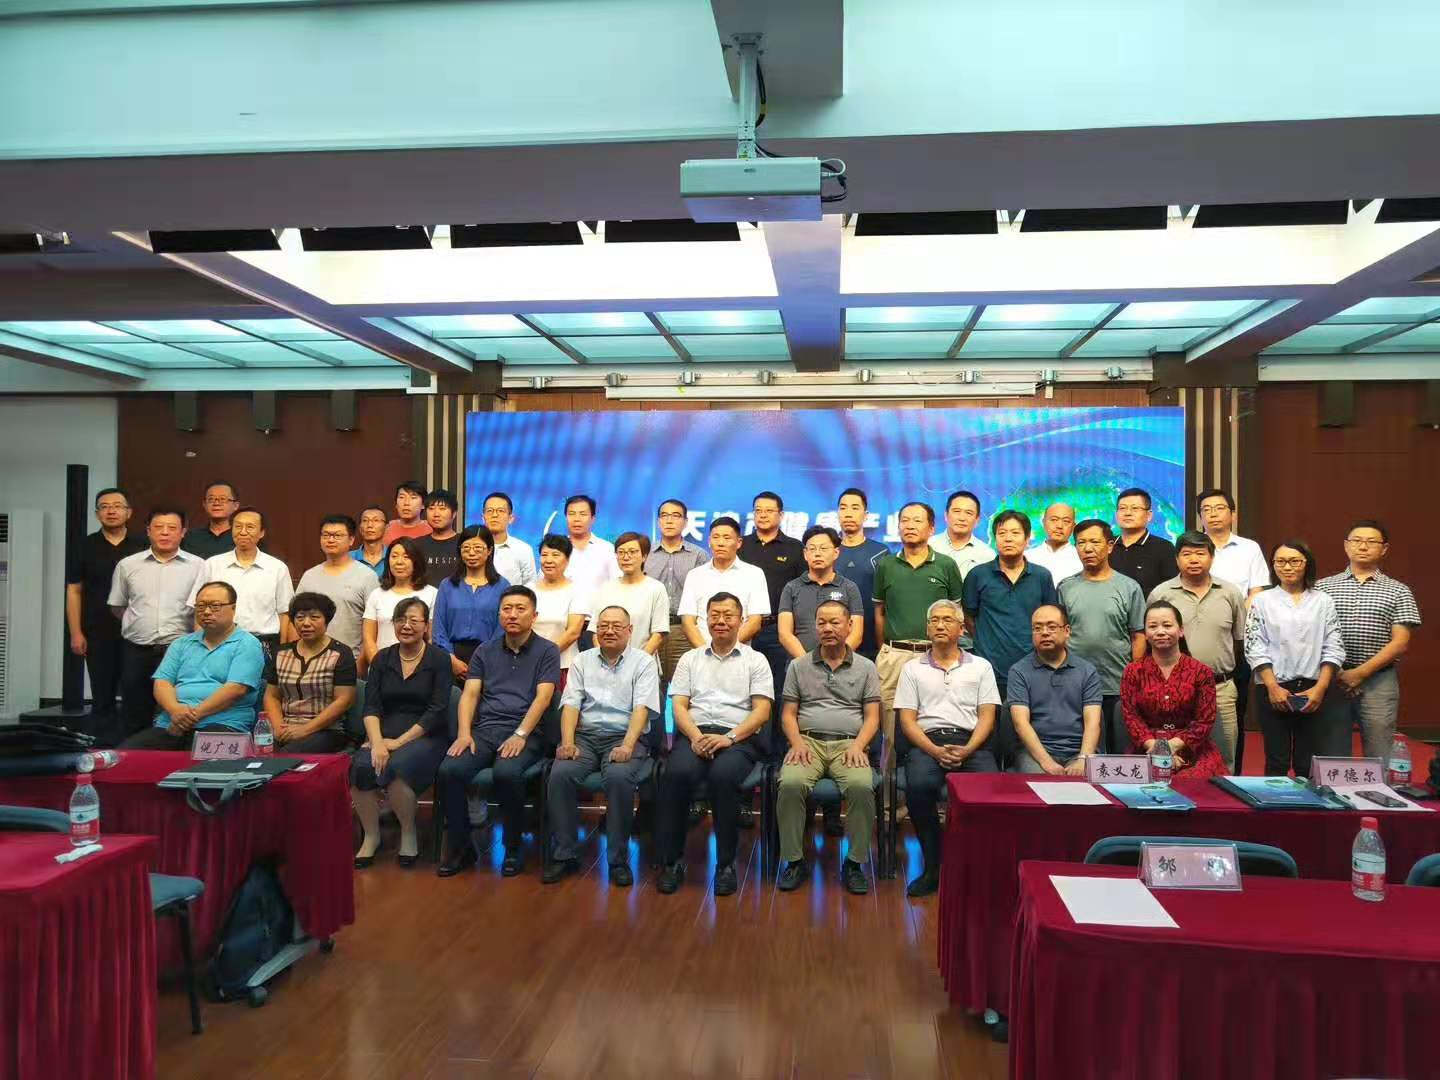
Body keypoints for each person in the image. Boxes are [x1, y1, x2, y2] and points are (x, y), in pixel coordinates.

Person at [655, 592, 773, 897]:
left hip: (738, 738)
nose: (721, 621)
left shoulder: (756, 660)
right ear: (705, 619)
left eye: (728, 615)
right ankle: (672, 861)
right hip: (696, 734)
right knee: (676, 775)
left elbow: (761, 711)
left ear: (741, 620)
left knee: (723, 777)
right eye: (714, 615)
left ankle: (725, 865)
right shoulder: (690, 659)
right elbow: (679, 706)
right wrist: (695, 737)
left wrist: (729, 737)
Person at [437, 585, 560, 879]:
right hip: (486, 729)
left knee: (507, 772)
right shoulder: (485, 650)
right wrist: (464, 733)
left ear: (534, 615)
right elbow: (469, 695)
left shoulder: (547, 650)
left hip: (528, 733)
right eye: (507, 609)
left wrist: (520, 734)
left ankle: (513, 847)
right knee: (449, 770)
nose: (512, 615)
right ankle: (462, 846)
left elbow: (544, 698)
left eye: (520, 609)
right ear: (499, 614)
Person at [545, 606, 660, 887]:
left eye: (617, 626)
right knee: (560, 774)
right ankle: (564, 854)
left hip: (624, 735)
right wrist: (568, 742)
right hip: (585, 736)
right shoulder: (582, 660)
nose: (609, 631)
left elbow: (642, 708)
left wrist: (628, 745)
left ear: (630, 630)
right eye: (603, 625)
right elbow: (571, 704)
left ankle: (618, 860)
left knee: (619, 777)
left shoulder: (643, 663)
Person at [894, 599, 1000, 897]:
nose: (940, 625)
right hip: (928, 743)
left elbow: (987, 717)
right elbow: (907, 721)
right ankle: (933, 867)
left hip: (971, 743)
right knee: (918, 787)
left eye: (947, 620)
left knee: (990, 792)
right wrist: (935, 750)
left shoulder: (981, 666)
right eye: (934, 620)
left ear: (961, 628)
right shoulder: (912, 668)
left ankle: (976, 867)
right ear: (927, 628)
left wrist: (967, 750)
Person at [775, 600, 883, 895]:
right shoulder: (798, 666)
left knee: (861, 786)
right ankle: (794, 861)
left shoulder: (866, 667)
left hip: (850, 744)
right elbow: (788, 715)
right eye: (822, 622)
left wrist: (859, 746)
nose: (828, 628)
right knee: (790, 783)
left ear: (849, 626)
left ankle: (854, 863)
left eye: (835, 622)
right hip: (807, 741)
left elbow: (873, 717)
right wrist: (797, 742)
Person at [351, 596, 451, 869]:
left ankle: (408, 831)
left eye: (414, 620)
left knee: (398, 767)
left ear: (426, 626)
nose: (406, 626)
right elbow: (371, 705)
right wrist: (376, 742)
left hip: (426, 734)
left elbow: (437, 710)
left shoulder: (439, 659)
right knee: (361, 766)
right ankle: (371, 836)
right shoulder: (382, 658)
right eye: (400, 620)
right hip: (384, 732)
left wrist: (398, 742)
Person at [1317, 520, 1422, 762]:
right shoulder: (1323, 587)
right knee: (1331, 752)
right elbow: (1313, 635)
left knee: (1379, 751)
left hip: (1379, 680)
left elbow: (1400, 642)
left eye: (1371, 542)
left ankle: (1380, 788)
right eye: (1357, 540)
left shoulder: (1399, 591)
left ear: (1384, 549)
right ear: (1346, 545)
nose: (1363, 546)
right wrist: (1340, 672)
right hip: (1332, 677)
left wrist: (1359, 673)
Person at [119, 581, 266, 750]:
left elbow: (236, 689)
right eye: (201, 606)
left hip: (223, 725)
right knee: (125, 755)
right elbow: (162, 683)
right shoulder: (180, 644)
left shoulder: (247, 644)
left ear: (233, 608)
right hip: (171, 723)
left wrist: (188, 717)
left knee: (200, 760)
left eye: (215, 606)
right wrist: (175, 710)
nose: (207, 612)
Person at [1245, 539, 1347, 778]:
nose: (1287, 567)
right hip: (1273, 687)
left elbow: (1334, 645)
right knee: (1276, 760)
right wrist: (1272, 687)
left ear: (1306, 563)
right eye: (1280, 561)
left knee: (1307, 761)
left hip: (1313, 688)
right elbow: (1254, 645)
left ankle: (1307, 802)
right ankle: (1275, 801)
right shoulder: (1261, 601)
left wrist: (1321, 688)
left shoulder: (1323, 601)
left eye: (1294, 561)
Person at [962, 510, 1058, 761]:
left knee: (1024, 737)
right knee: (990, 737)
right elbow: (970, 618)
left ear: (1027, 539)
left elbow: (1050, 619)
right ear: (994, 538)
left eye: (1015, 533)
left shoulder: (1041, 576)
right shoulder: (978, 575)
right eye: (1002, 533)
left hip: (1032, 669)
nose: (1008, 538)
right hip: (989, 669)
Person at [1149, 531, 1247, 771]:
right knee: (1178, 758)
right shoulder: (1161, 593)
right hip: (1175, 690)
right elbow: (1151, 638)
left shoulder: (1230, 592)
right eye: (1187, 554)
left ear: (1212, 557)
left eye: (1200, 553)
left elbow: (1239, 640)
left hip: (1220, 688)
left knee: (1225, 757)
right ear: (1177, 559)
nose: (1193, 559)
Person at [108, 506, 205, 739]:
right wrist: (140, 624)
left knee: (178, 711)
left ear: (183, 532)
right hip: (136, 649)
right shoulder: (128, 565)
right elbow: (117, 606)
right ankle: (133, 755)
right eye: (158, 527)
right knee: (134, 710)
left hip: (180, 650)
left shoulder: (199, 566)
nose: (165, 532)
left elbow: (201, 610)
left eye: (172, 528)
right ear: (148, 530)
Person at [873, 502, 965, 745]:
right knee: (889, 727)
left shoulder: (946, 565)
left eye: (917, 520)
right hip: (894, 655)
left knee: (934, 720)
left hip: (934, 654)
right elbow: (879, 612)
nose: (909, 526)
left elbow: (957, 613)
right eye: (904, 520)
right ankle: (890, 770)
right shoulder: (886, 565)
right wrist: (884, 648)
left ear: (931, 528)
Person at [1056, 519, 1145, 753]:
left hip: (1116, 685)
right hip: (1074, 685)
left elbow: (1138, 635)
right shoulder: (1065, 587)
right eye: (1081, 543)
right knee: (1082, 753)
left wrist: (1132, 677)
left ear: (1110, 546)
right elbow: (1059, 635)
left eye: (1095, 542)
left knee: (1118, 752)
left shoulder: (1129, 587)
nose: (1088, 548)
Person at [65, 487, 144, 736]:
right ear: (97, 513)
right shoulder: (84, 545)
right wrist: (75, 632)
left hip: (138, 631)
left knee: (136, 692)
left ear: (129, 512)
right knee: (102, 693)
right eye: (105, 507)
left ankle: (135, 746)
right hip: (97, 630)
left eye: (117, 506)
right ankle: (103, 745)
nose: (111, 511)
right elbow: (74, 590)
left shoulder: (143, 545)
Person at [1120, 601, 1224, 778]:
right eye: (1153, 626)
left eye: (1167, 625)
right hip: (1147, 747)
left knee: (1194, 782)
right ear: (1146, 634)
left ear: (1181, 630)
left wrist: (1172, 746)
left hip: (1192, 749)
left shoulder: (1201, 672)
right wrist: (1156, 748)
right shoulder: (1133, 671)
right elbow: (1131, 717)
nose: (1160, 631)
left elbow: (1204, 720)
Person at [188, 506, 295, 658]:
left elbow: (284, 613)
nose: (243, 532)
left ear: (262, 533)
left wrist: (282, 651)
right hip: (218, 643)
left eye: (250, 527)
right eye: (238, 526)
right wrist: (201, 649)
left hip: (263, 644)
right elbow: (199, 609)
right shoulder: (212, 564)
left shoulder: (277, 568)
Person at [1008, 605, 1103, 774]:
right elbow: (1020, 723)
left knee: (1090, 778)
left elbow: (1093, 722)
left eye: (1051, 627)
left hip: (1079, 750)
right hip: (1036, 753)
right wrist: (1046, 762)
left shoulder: (1087, 671)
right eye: (1037, 628)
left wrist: (1083, 759)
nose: (1044, 633)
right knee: (1040, 780)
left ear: (1067, 631)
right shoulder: (1019, 671)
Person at [261, 591, 357, 753]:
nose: (306, 623)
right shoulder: (281, 653)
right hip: (286, 728)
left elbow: (344, 700)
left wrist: (305, 729)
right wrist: (278, 728)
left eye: (314, 617)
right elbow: (272, 696)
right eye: (300, 617)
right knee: (260, 752)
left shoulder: (341, 653)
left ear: (326, 620)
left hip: (326, 730)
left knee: (286, 755)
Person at [740, 491, 806, 710]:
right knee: (743, 689)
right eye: (758, 510)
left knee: (778, 690)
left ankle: (777, 734)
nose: (763, 515)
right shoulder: (741, 546)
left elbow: (802, 590)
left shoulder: (795, 548)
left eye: (769, 511)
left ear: (781, 515)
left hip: (778, 629)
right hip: (743, 628)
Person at [644, 497, 708, 695]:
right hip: (650, 630)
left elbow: (704, 596)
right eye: (664, 516)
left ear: (686, 522)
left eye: (675, 516)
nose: (669, 520)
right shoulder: (645, 554)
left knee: (686, 689)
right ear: (658, 521)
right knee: (651, 689)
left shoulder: (699, 555)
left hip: (684, 630)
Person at [296, 514, 381, 659]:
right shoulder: (309, 576)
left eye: (337, 535)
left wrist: (360, 664)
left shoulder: (367, 576)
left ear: (351, 540)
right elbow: (296, 618)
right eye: (326, 535)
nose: (330, 540)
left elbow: (374, 627)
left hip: (351, 660)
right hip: (311, 661)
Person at [677, 517, 770, 647]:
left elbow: (754, 622)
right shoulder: (695, 575)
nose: (720, 543)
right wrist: (706, 652)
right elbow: (688, 621)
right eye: (715, 537)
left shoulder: (754, 574)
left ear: (739, 542)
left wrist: (726, 649)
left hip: (739, 652)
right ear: (709, 541)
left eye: (727, 538)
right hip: (701, 652)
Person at [432, 524, 508, 683]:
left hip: (489, 659)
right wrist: (451, 660)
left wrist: (484, 659)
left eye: (478, 548)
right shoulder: (447, 585)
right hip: (451, 658)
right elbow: (439, 628)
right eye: (466, 548)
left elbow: (502, 629)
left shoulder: (502, 586)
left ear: (489, 550)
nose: (471, 553)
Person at [779, 526, 864, 658]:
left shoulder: (849, 587)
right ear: (805, 554)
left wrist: (836, 660)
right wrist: (807, 663)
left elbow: (856, 634)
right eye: (812, 549)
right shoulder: (791, 588)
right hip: (800, 664)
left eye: (823, 548)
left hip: (840, 664)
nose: (817, 553)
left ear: (836, 553)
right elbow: (785, 634)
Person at [589, 532, 670, 660]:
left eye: (632, 552)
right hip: (607, 664)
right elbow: (595, 630)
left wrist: (636, 663)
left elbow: (658, 634)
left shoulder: (656, 588)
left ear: (644, 556)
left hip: (642, 663)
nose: (626, 557)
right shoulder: (607, 588)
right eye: (621, 552)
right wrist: (605, 660)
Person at [362, 537, 438, 670]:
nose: (399, 562)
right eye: (394, 556)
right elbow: (368, 638)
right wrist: (379, 667)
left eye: (406, 557)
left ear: (416, 561)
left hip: (420, 669)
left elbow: (431, 638)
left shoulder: (431, 593)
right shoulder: (377, 594)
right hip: (382, 668)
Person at [834, 487, 891, 660]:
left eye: (855, 508)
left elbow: (887, 603)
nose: (848, 514)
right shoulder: (827, 551)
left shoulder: (880, 552)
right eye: (843, 508)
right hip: (832, 640)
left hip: (872, 643)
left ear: (865, 515)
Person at [531, 535, 590, 687]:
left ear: (567, 559)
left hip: (563, 666)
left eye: (555, 555)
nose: (548, 560)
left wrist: (545, 656)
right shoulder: (528, 589)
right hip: (528, 664)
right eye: (544, 555)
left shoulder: (577, 590)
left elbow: (573, 632)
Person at [1195, 488, 1269, 599]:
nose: (1213, 514)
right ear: (1201, 518)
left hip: (1241, 609)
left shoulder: (1250, 548)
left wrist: (1242, 610)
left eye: (1219, 508)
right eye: (1206, 510)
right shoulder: (1191, 548)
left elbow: (1256, 592)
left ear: (1233, 515)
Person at [1109, 487, 1177, 599]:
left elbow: (1170, 591)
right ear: (1116, 514)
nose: (1128, 513)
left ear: (1149, 515)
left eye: (1135, 508)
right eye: (1122, 508)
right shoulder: (1107, 546)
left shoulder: (1164, 548)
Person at [929, 489, 996, 582]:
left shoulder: (987, 555)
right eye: (956, 511)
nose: (962, 518)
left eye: (968, 513)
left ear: (977, 520)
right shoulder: (928, 546)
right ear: (946, 515)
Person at [561, 494, 618, 595]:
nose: (577, 519)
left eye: (583, 514)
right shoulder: (557, 548)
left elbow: (617, 583)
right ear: (566, 517)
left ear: (593, 518)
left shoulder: (607, 549)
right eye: (571, 514)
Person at [482, 491, 537, 587]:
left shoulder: (524, 549)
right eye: (490, 511)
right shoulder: (472, 549)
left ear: (511, 518)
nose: (494, 515)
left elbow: (530, 586)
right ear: (483, 518)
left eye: (500, 511)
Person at [181, 480, 240, 559]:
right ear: (204, 504)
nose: (216, 503)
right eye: (211, 499)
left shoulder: (241, 537)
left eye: (223, 499)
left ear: (235, 505)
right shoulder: (190, 537)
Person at [1025, 503, 1081, 584]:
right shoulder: (1026, 557)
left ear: (1073, 526)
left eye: (1066, 521)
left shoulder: (1082, 558)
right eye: (1054, 520)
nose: (1059, 526)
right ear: (1043, 522)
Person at [414, 489, 462, 582]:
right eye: (431, 509)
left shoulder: (464, 543)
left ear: (454, 514)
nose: (436, 514)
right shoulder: (416, 545)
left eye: (442, 509)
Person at [382, 480, 432, 547]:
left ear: (423, 504)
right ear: (396, 504)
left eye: (413, 498)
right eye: (402, 497)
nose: (406, 503)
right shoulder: (386, 529)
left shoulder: (431, 529)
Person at [351, 505, 389, 575]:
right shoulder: (348, 559)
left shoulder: (393, 557)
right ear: (360, 528)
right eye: (365, 520)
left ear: (386, 527)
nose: (370, 525)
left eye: (376, 520)